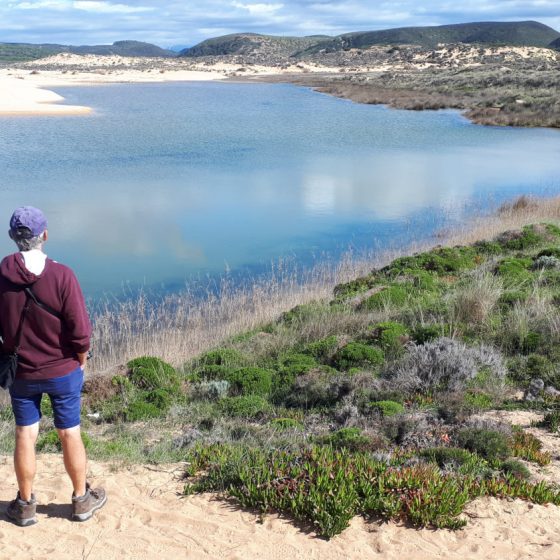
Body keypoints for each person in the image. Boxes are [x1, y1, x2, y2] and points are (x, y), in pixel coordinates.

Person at [0, 206, 106, 526]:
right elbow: (81, 332)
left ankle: (25, 504)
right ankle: (81, 502)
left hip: (22, 373)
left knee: (25, 434)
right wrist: (80, 361)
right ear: (45, 235)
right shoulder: (62, 275)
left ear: (11, 237)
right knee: (69, 433)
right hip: (63, 371)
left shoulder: (2, 274)